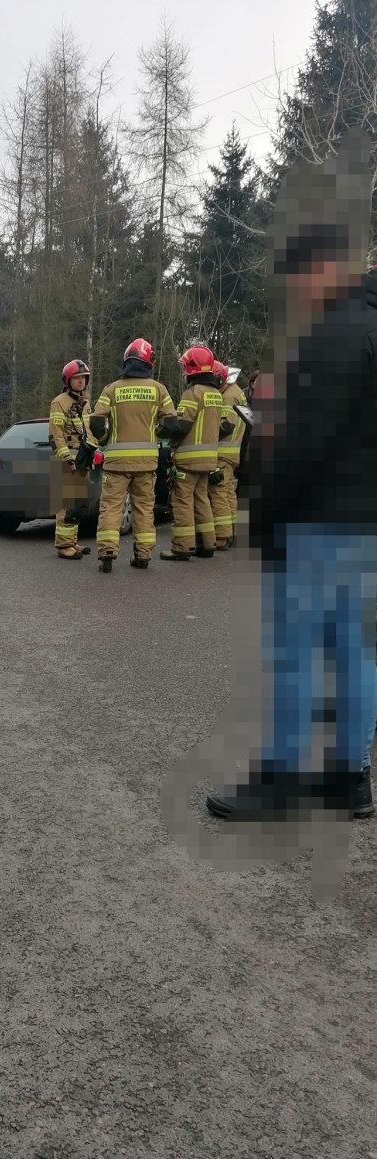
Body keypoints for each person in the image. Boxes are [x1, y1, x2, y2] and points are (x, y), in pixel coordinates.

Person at [207, 127, 377, 820]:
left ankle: (280, 780)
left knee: (295, 652)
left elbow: (303, 441)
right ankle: (350, 777)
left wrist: (268, 514)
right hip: (366, 524)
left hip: (321, 522)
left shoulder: (334, 335)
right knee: (356, 651)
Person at [88, 338, 177, 572]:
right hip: (147, 463)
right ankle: (143, 555)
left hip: (116, 463)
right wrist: (155, 435)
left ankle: (107, 553)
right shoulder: (159, 389)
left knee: (110, 507)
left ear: (126, 361)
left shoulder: (112, 389)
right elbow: (171, 423)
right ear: (149, 361)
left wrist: (105, 440)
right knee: (144, 508)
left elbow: (96, 422)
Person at [160, 346, 221, 562]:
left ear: (191, 368)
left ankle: (182, 547)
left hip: (188, 459)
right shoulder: (215, 394)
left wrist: (166, 438)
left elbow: (181, 426)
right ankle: (207, 544)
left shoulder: (192, 393)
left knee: (182, 502)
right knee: (202, 499)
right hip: (208, 460)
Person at [48, 359, 93, 559]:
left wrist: (92, 449)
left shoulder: (86, 401)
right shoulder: (59, 402)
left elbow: (89, 429)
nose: (81, 381)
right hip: (68, 458)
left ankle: (72, 541)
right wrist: (67, 458)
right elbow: (56, 434)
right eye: (76, 378)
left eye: (83, 378)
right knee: (66, 504)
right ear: (68, 380)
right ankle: (64, 545)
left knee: (77, 503)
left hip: (82, 456)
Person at [208, 360, 246, 550]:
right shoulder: (237, 392)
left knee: (219, 493)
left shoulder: (229, 396)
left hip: (222, 452)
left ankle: (222, 536)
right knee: (229, 493)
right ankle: (232, 532)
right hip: (231, 452)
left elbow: (226, 425)